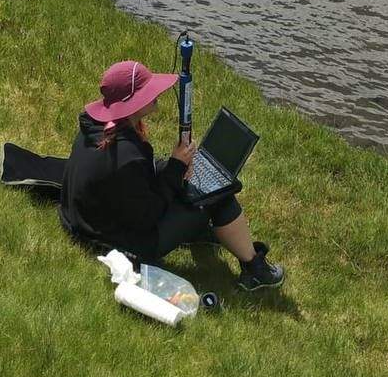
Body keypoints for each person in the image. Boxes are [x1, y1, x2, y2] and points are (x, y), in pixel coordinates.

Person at [59, 60, 284, 291]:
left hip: (84, 224)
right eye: (149, 91)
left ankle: (204, 231)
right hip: (121, 244)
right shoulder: (128, 157)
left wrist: (173, 166)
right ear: (132, 103)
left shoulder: (97, 130)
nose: (157, 94)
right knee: (218, 195)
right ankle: (256, 269)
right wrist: (175, 169)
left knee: (194, 186)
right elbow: (148, 216)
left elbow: (135, 180)